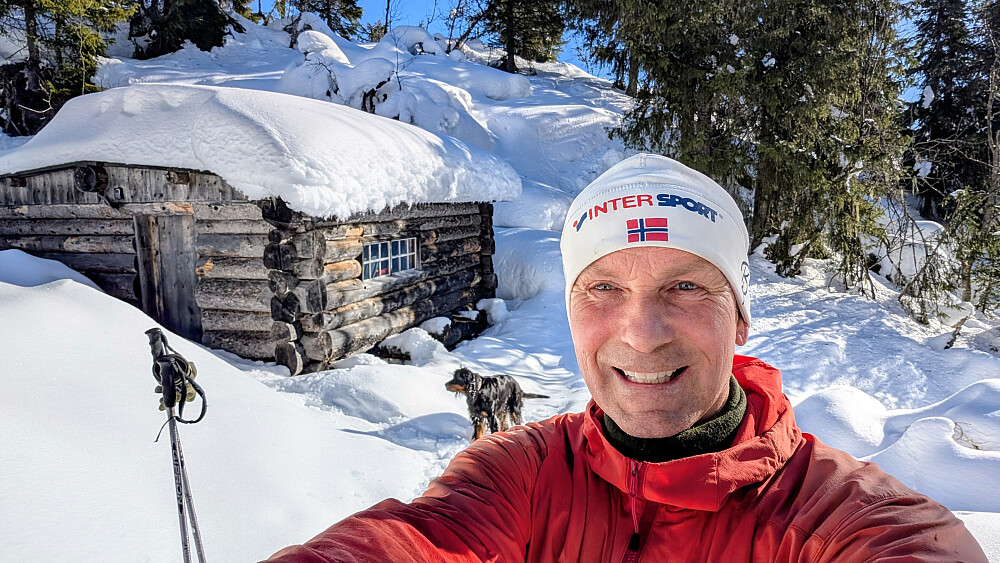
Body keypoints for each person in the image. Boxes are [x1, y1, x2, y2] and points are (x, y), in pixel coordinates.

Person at [264, 154, 987, 562]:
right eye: (604, 287)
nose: (641, 333)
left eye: (684, 285)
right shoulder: (519, 474)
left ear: (739, 315)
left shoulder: (839, 515)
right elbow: (408, 544)